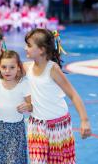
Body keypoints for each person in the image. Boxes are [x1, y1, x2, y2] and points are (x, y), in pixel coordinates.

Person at [24, 28, 92, 163]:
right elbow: (5, 69)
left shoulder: (53, 69)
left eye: (29, 45)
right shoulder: (27, 67)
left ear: (42, 49)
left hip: (58, 127)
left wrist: (85, 120)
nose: (25, 48)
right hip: (37, 127)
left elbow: (73, 94)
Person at [0, 50, 32, 164]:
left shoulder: (23, 83)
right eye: (4, 67)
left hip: (16, 129)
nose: (7, 71)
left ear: (18, 68)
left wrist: (28, 106)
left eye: (12, 67)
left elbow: (31, 106)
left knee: (14, 159)